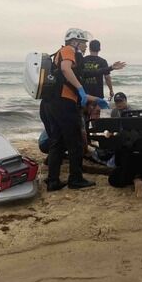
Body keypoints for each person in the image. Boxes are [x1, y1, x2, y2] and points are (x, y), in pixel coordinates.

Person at [42, 28, 107, 192]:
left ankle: (53, 181)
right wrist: (80, 89)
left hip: (54, 104)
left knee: (57, 141)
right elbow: (65, 69)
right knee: (76, 142)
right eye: (83, 43)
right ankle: (75, 179)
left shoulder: (63, 54)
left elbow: (70, 83)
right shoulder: (68, 50)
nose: (85, 47)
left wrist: (96, 99)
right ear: (75, 42)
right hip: (64, 105)